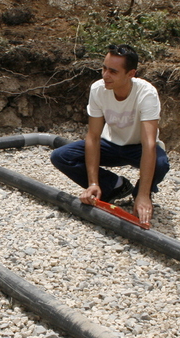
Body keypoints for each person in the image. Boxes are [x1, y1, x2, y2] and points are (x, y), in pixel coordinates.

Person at [50, 44, 169, 226]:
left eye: (113, 71)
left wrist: (144, 195)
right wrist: (93, 183)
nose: (105, 75)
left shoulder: (146, 94)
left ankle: (139, 194)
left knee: (160, 164)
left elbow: (149, 144)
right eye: (104, 68)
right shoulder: (98, 89)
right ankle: (115, 186)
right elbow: (93, 136)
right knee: (61, 156)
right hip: (111, 144)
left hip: (138, 147)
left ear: (130, 74)